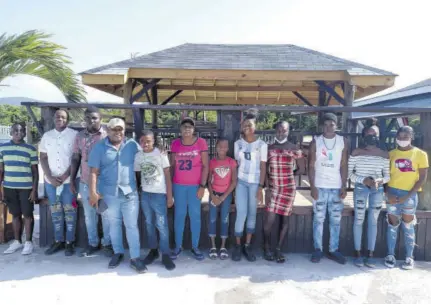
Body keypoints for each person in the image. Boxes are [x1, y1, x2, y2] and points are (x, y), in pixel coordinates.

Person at [88, 118, 146, 273]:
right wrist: (93, 193)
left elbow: (146, 156)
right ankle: (118, 252)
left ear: (124, 130)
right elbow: (93, 172)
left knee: (132, 225)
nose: (117, 132)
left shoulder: (132, 145)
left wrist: (159, 150)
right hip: (109, 194)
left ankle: (135, 258)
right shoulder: (99, 148)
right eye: (114, 129)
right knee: (113, 225)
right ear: (107, 130)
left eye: (120, 129)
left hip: (130, 193)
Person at [70, 107, 113, 257]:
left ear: (100, 119)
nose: (91, 121)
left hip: (104, 182)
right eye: (88, 118)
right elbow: (76, 158)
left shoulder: (108, 135)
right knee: (89, 215)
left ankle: (107, 243)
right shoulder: (79, 136)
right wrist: (71, 180)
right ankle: (93, 243)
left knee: (106, 214)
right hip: (85, 181)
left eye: (95, 118)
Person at [385, 126, 428, 270]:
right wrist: (387, 193)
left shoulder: (420, 154)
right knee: (392, 226)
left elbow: (422, 178)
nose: (402, 140)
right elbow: (385, 176)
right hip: (391, 192)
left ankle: (409, 257)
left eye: (406, 136)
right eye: (400, 136)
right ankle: (390, 255)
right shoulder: (391, 154)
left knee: (408, 226)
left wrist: (408, 196)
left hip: (409, 195)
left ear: (412, 137)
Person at [308, 112, 348, 264]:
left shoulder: (342, 141)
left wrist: (343, 185)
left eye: (331, 124)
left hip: (336, 186)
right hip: (320, 185)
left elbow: (344, 164)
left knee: (335, 220)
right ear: (322, 126)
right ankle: (317, 249)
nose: (328, 127)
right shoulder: (316, 142)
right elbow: (310, 165)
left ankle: (333, 250)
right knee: (318, 220)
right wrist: (312, 186)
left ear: (336, 125)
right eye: (325, 125)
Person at [134, 130, 176, 270]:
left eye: (148, 141)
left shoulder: (160, 154)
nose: (145, 143)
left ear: (153, 141)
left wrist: (169, 196)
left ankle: (165, 254)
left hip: (159, 195)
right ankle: (153, 251)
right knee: (149, 224)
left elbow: (167, 176)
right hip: (146, 195)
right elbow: (138, 175)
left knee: (162, 225)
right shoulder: (138, 156)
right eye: (142, 141)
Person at [348, 127, 390, 267]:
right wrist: (363, 180)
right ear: (363, 135)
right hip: (360, 189)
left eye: (374, 134)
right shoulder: (356, 152)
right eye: (368, 134)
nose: (371, 137)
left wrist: (380, 181)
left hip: (377, 190)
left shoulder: (384, 154)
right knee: (359, 219)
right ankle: (358, 253)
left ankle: (370, 254)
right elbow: (348, 174)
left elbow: (387, 175)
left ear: (378, 136)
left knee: (373, 220)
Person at [263, 121, 304, 263]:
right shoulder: (269, 148)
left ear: (288, 132)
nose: (281, 133)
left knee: (285, 219)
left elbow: (301, 169)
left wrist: (288, 174)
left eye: (284, 131)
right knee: (270, 219)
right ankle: (267, 246)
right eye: (279, 130)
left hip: (288, 187)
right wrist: (268, 187)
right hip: (274, 187)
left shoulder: (294, 148)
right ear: (275, 131)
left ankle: (278, 249)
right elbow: (265, 169)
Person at [40, 109, 78, 256]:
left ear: (67, 120)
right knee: (55, 212)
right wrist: (49, 177)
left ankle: (70, 242)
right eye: (57, 116)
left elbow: (76, 158)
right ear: (54, 118)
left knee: (70, 211)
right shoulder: (47, 136)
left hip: (69, 181)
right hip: (51, 183)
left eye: (63, 117)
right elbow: (43, 157)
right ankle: (58, 241)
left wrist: (64, 176)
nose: (60, 119)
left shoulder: (74, 135)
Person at [170, 117, 209, 261]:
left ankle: (195, 246)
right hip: (178, 185)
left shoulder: (201, 143)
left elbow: (205, 166)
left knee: (195, 217)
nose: (187, 129)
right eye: (185, 126)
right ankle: (178, 246)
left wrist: (202, 186)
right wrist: (170, 188)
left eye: (190, 127)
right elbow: (172, 166)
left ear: (194, 129)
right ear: (180, 129)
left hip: (195, 187)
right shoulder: (175, 143)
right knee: (179, 216)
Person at [233, 109, 267, 262]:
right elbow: (236, 164)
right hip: (241, 182)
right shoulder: (237, 144)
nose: (247, 127)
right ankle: (238, 246)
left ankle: (247, 246)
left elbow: (263, 166)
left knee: (252, 214)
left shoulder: (262, 145)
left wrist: (261, 187)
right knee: (241, 213)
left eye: (250, 125)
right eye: (245, 125)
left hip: (255, 183)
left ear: (255, 127)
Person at [0, 123, 39, 255]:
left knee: (27, 215)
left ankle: (28, 242)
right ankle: (17, 241)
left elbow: (35, 172)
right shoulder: (2, 147)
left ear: (25, 133)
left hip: (26, 188)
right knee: (15, 214)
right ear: (11, 132)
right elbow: (1, 170)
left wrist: (34, 190)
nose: (18, 133)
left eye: (21, 130)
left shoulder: (30, 149)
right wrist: (1, 189)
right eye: (15, 130)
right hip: (9, 187)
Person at [207, 138, 237, 260]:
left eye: (225, 147)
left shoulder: (231, 162)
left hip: (226, 195)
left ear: (228, 148)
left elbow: (234, 182)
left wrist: (223, 197)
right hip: (214, 194)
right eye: (220, 146)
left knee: (225, 219)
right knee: (212, 218)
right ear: (216, 147)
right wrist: (213, 196)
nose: (222, 149)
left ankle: (223, 247)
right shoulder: (212, 162)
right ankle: (213, 246)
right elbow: (209, 181)